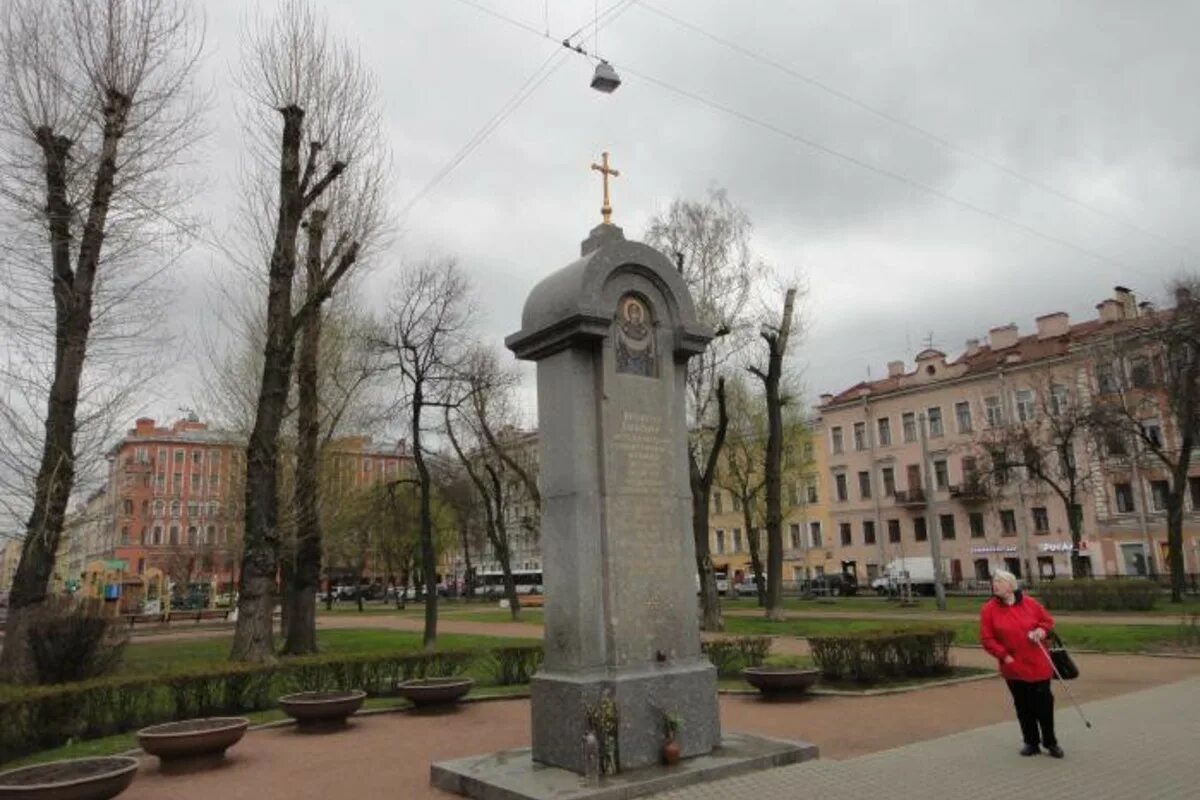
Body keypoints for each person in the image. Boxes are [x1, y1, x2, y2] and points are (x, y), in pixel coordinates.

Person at [979, 569, 1063, 758]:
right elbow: (987, 638)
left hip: (1038, 662)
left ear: (1010, 585)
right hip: (1013, 666)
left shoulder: (1030, 603)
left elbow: (1047, 621)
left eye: (999, 581)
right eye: (994, 581)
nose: (995, 585)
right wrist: (1004, 656)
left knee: (1044, 706)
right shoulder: (989, 609)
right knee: (1023, 706)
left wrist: (1041, 631)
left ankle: (1050, 742)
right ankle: (1030, 742)